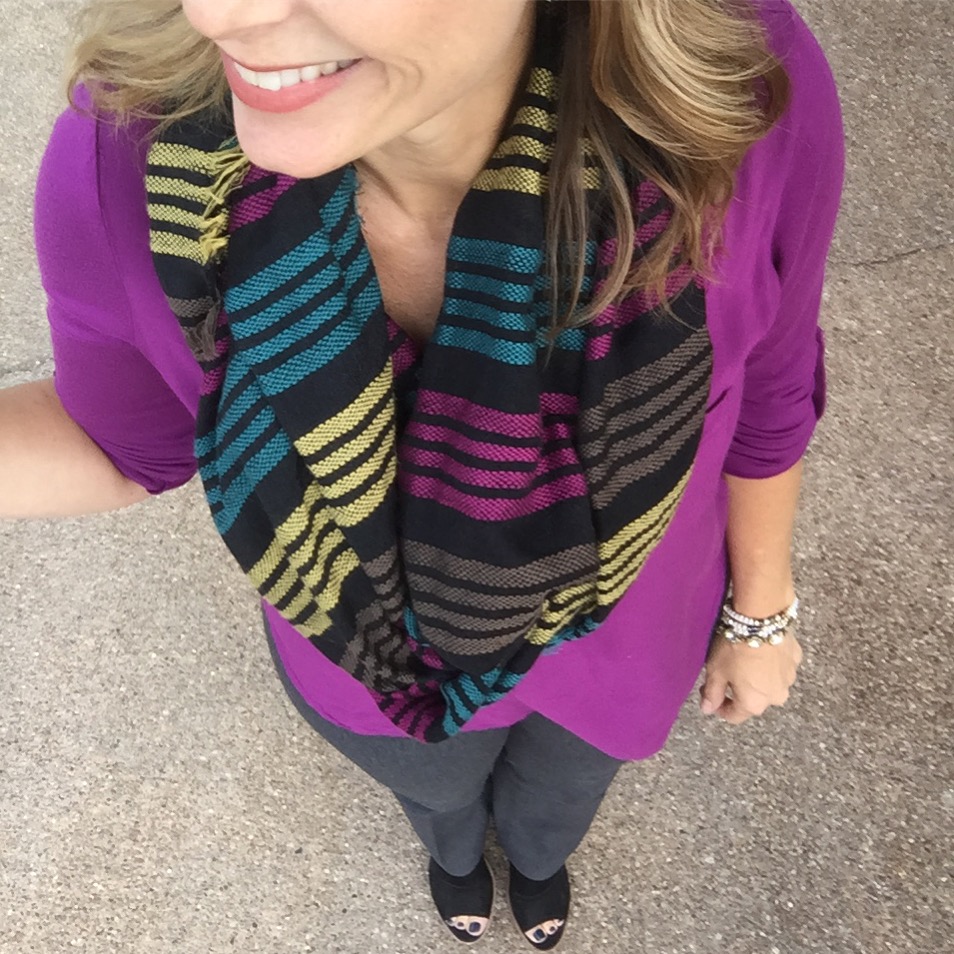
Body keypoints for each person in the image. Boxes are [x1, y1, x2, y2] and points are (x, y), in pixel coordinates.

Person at [1, 0, 844, 947]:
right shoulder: (129, 159)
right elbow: (124, 443)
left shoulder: (738, 85)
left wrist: (761, 613)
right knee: (435, 797)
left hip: (631, 643)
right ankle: (452, 858)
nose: (219, 13)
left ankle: (538, 862)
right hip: (367, 669)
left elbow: (773, 385)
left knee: (560, 804)